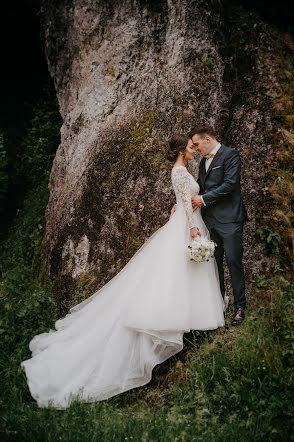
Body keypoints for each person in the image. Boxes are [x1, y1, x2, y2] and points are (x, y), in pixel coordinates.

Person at [21, 134, 225, 409]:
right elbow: (186, 202)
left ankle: (194, 320)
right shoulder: (178, 171)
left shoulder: (184, 170)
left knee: (185, 271)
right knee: (174, 274)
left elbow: (185, 198)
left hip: (187, 218)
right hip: (186, 224)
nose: (194, 150)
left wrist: (183, 209)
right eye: (190, 148)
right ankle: (174, 320)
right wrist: (191, 227)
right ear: (180, 151)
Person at [186, 124, 247, 325]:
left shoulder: (230, 155)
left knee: (233, 262)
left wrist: (202, 200)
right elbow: (199, 186)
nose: (195, 149)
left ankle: (240, 306)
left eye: (196, 145)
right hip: (210, 221)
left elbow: (230, 185)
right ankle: (218, 304)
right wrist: (182, 204)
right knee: (214, 265)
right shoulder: (204, 162)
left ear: (208, 140)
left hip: (230, 219)